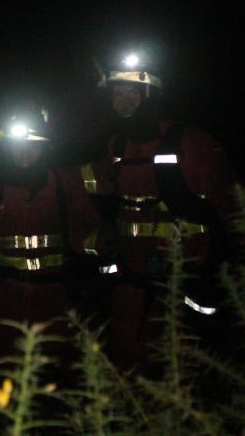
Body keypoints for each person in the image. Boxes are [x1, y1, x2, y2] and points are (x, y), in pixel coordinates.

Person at [80, 52, 239, 372]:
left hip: (185, 282)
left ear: (150, 96)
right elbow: (87, 187)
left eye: (132, 94)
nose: (123, 102)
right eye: (117, 95)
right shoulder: (116, 147)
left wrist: (223, 266)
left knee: (184, 364)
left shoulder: (191, 142)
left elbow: (230, 205)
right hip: (130, 278)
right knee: (125, 356)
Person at [0, 100, 101, 393]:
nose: (24, 152)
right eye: (17, 144)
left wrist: (101, 267)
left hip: (56, 299)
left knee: (53, 374)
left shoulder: (65, 184)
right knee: (7, 374)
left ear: (46, 146)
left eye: (33, 144)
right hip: (4, 300)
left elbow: (88, 234)